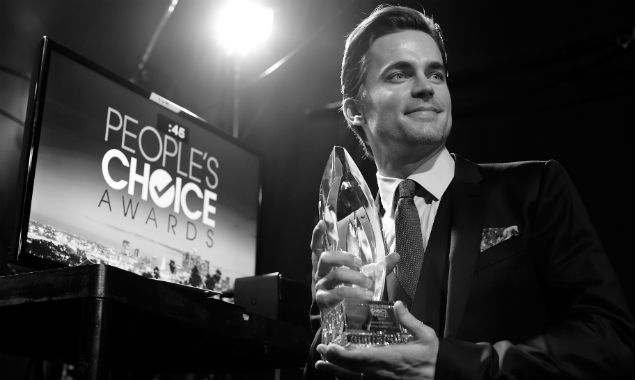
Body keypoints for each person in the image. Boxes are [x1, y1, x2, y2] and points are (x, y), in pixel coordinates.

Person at [305, 5, 633, 380]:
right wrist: (329, 328)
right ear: (354, 111)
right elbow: (324, 367)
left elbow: (613, 342)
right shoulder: (343, 235)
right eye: (398, 74)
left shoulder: (534, 189)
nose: (426, 86)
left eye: (436, 73)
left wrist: (449, 364)